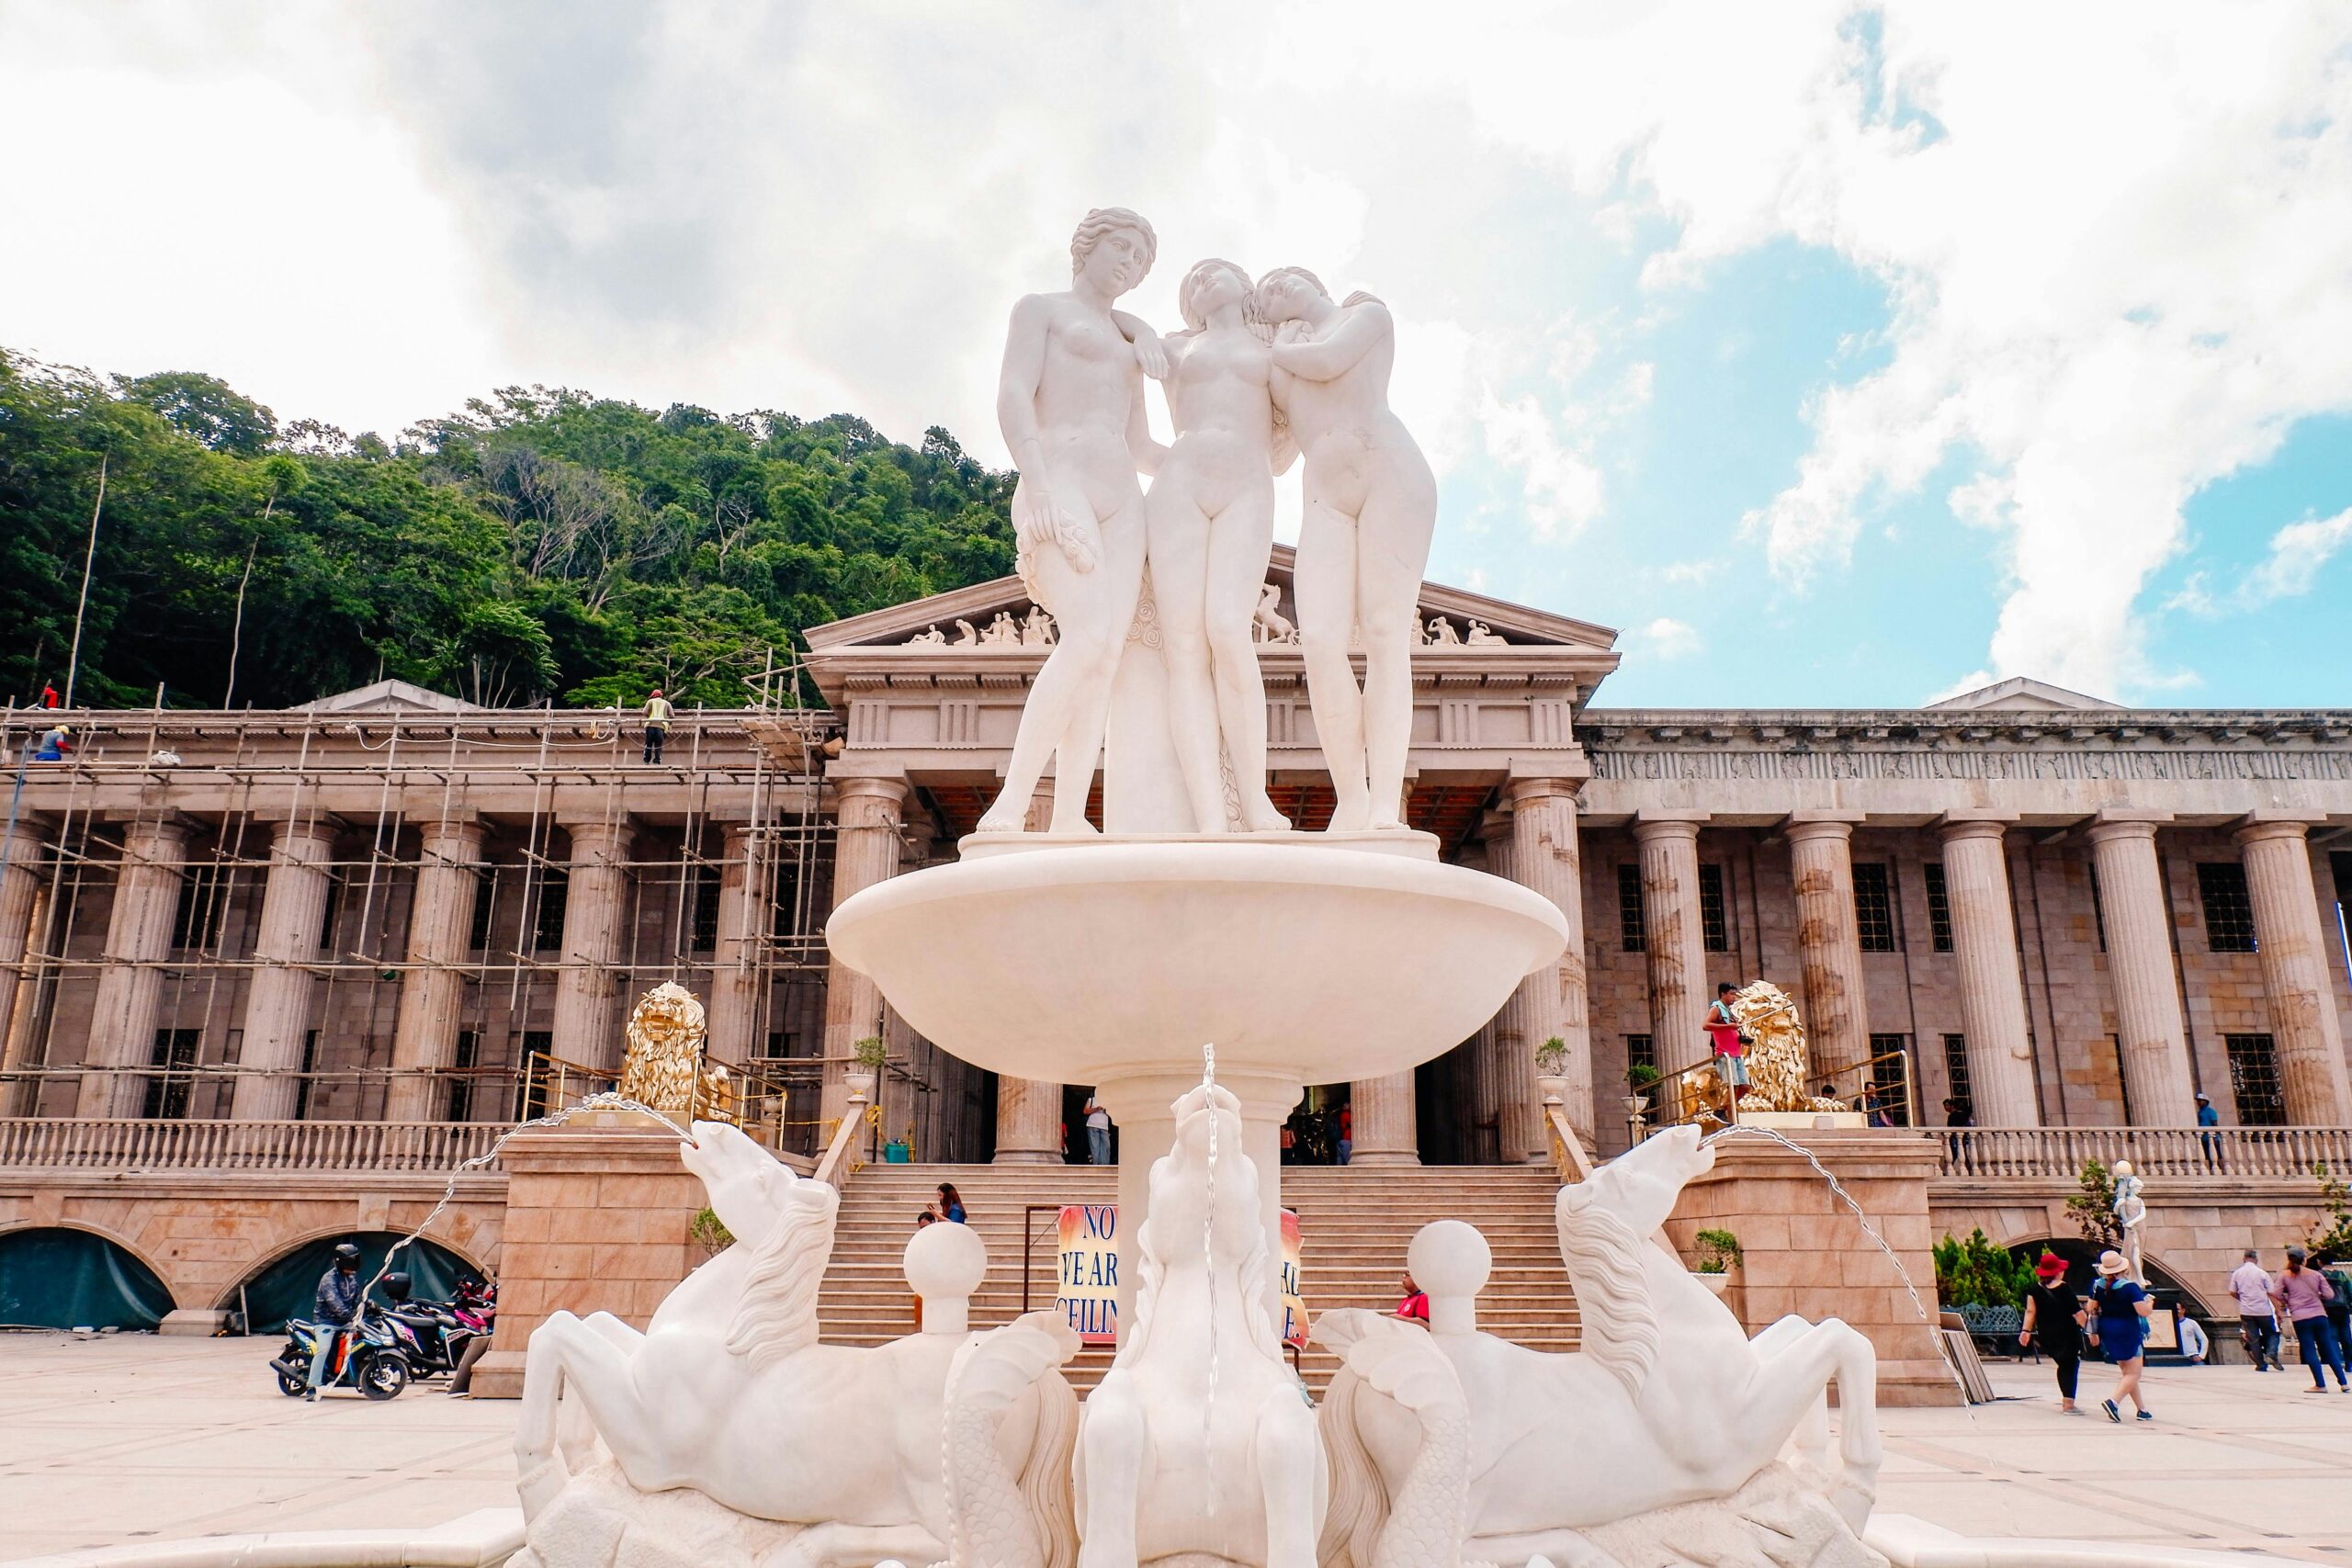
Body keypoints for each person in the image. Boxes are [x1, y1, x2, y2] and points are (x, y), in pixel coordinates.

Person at [973, 208, 1166, 835]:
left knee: (1105, 655)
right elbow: (1011, 395)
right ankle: (1011, 803)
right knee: (1084, 636)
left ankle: (1069, 817)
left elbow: (1141, 446)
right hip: (1059, 479)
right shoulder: (1041, 310)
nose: (1129, 262)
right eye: (1121, 246)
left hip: (1120, 494)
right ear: (1087, 245)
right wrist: (1039, 482)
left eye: (1140, 257)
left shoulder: (1134, 344)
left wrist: (1221, 455)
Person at [1259, 265, 1437, 832]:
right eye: (1267, 297)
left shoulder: (1364, 317)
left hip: (1390, 471)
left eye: (1284, 283)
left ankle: (1384, 801)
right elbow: (1276, 454)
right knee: (1317, 639)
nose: (1278, 295)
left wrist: (1273, 349)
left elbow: (1330, 361)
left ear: (1311, 283)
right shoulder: (1284, 358)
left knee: (1386, 633)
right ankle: (1351, 799)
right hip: (1326, 494)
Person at [1139, 257, 1294, 833]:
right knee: (1183, 648)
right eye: (1192, 280)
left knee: (1229, 630)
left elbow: (1293, 429)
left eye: (1212, 271)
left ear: (1242, 283)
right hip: (1180, 480)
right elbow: (1115, 330)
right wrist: (1141, 331)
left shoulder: (1274, 348)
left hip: (1248, 482)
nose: (1201, 279)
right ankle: (1209, 815)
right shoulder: (1175, 346)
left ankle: (1254, 801)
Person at [2086, 1248, 2154, 1422]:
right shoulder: (2130, 1287)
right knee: (2134, 1374)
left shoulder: (2098, 1286)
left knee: (2128, 1373)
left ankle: (2142, 1409)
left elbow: (2091, 1308)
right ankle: (2114, 1402)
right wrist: (2150, 1302)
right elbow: (2143, 1311)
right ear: (2123, 1268)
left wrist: (2093, 1332)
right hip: (2128, 1329)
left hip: (2108, 1328)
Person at [2270, 1246, 2347, 1393]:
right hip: (2320, 1315)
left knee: (2309, 1350)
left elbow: (2276, 1293)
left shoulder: (2285, 1275)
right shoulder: (2316, 1275)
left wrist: (2287, 1300)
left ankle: (2320, 1384)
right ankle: (2343, 1382)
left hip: (2301, 1318)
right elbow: (2330, 1294)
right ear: (2304, 1259)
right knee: (2328, 1349)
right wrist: (2318, 1296)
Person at [2018, 1252, 2085, 1413]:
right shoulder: (2065, 1288)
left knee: (2064, 1364)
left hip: (2047, 1334)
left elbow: (2030, 1312)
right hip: (2067, 1334)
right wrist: (2091, 1330)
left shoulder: (2035, 1290)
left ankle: (2067, 1401)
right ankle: (2068, 1404)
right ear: (2057, 1271)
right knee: (2070, 1365)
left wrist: (2026, 1331)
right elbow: (2077, 1313)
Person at [306, 1242, 366, 1401]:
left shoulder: (353, 1278)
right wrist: (349, 1316)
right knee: (323, 1349)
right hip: (326, 1322)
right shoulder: (328, 1279)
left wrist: (365, 1307)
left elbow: (357, 1299)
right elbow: (335, 1304)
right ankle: (312, 1385)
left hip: (346, 1321)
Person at [2230, 1248, 2282, 1371]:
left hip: (2246, 1310)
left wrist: (2242, 1299)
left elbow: (2232, 1291)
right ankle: (2271, 1353)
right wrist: (2278, 1310)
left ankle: (2260, 1364)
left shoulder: (2237, 1273)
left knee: (2253, 1338)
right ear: (2256, 1260)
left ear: (2244, 1259)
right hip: (2263, 1309)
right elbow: (2271, 1293)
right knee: (2272, 1334)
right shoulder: (2262, 1273)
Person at [1704, 982, 1747, 1103]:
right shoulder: (1716, 1008)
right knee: (1734, 1086)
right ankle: (1726, 1114)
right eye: (1731, 994)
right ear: (1723, 994)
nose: (1734, 997)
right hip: (1725, 1054)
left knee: (1744, 1087)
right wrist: (1728, 1026)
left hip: (1736, 1054)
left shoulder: (1729, 1012)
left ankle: (1722, 1110)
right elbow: (1706, 1025)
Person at [641, 689, 673, 764]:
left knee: (648, 743)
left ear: (653, 695)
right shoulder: (667, 703)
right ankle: (657, 760)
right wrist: (669, 724)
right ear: (661, 695)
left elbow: (644, 712)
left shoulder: (650, 702)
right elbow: (672, 716)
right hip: (661, 727)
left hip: (650, 725)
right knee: (658, 744)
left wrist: (649, 716)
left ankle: (646, 760)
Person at [2195, 1092, 2222, 1169]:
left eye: (2200, 1101)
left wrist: (2215, 1137)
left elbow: (2215, 1125)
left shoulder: (2211, 1111)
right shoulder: (2200, 1112)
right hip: (2204, 1138)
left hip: (2212, 1138)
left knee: (2217, 1156)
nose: (2198, 1103)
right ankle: (2212, 1170)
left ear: (2205, 1101)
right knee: (2209, 1157)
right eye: (2198, 1101)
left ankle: (2221, 1170)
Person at [1084, 1096, 1114, 1167]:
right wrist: (1096, 1109)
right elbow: (1085, 1111)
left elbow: (1113, 1113)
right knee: (1095, 1146)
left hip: (1104, 1126)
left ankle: (1104, 1165)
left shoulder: (1108, 1100)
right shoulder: (1091, 1099)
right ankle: (1096, 1165)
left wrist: (1106, 1110)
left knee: (1106, 1146)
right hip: (1093, 1124)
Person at [1337, 1102, 1353, 1166]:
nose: (1350, 1105)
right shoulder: (1346, 1114)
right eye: (1348, 1104)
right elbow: (1352, 1124)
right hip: (1347, 1138)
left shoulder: (1340, 1114)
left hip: (1340, 1138)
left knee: (1339, 1159)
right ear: (1344, 1106)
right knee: (1348, 1160)